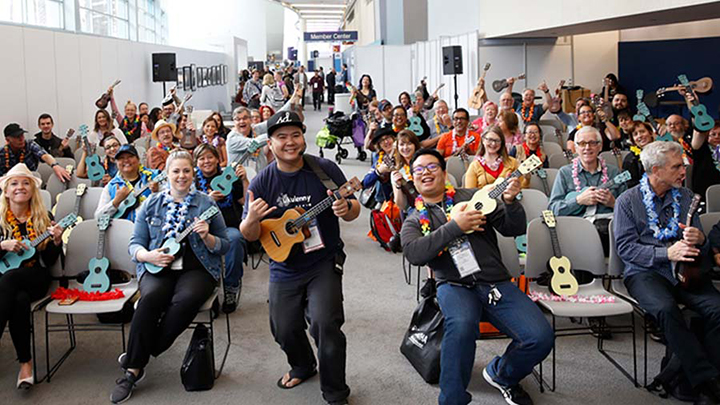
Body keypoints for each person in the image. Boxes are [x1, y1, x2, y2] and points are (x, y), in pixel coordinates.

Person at [401, 148, 553, 405]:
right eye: (418, 169)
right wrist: (455, 227)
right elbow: (414, 253)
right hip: (454, 286)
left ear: (444, 173)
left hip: (495, 283)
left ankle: (502, 374)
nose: (425, 173)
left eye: (431, 167)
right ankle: (452, 400)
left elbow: (512, 228)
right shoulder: (415, 219)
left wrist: (510, 201)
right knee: (461, 327)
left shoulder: (474, 196)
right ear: (413, 179)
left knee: (540, 336)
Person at [240, 111, 359, 405]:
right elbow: (249, 234)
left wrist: (347, 208)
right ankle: (303, 365)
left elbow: (354, 207)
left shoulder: (323, 169)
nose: (290, 142)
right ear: (270, 143)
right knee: (282, 326)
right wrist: (252, 219)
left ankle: (335, 391)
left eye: (295, 135)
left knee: (325, 323)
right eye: (282, 137)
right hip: (284, 265)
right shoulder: (263, 183)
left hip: (323, 260)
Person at [111, 150, 230, 404]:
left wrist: (207, 237)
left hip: (197, 269)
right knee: (150, 298)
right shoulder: (151, 204)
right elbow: (134, 244)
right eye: (175, 171)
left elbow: (226, 245)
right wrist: (148, 256)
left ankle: (141, 354)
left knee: (186, 299)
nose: (181, 176)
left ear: (193, 173)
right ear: (167, 174)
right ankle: (132, 372)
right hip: (157, 266)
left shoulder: (206, 204)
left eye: (186, 170)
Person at [614, 141, 720, 405]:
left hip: (687, 271)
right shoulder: (627, 201)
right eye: (676, 166)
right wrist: (666, 254)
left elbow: (701, 246)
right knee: (665, 308)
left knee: (718, 309)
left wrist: (700, 239)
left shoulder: (686, 197)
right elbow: (627, 250)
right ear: (656, 171)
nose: (683, 170)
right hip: (645, 272)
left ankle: (685, 375)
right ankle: (708, 382)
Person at [0, 163, 63, 390]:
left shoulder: (44, 216)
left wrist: (56, 241)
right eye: (14, 183)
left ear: (32, 190)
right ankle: (26, 365)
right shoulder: (0, 219)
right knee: (19, 301)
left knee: (10, 280)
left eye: (26, 183)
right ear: (6, 190)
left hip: (36, 275)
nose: (20, 187)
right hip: (7, 282)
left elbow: (52, 258)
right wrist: (3, 245)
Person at [194, 144, 248, 313]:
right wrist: (208, 199)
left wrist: (245, 180)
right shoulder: (192, 181)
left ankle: (231, 287)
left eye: (210, 157)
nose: (206, 161)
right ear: (196, 162)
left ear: (218, 158)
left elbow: (245, 203)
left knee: (235, 239)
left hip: (228, 227)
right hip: (201, 228)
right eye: (201, 158)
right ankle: (208, 288)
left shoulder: (229, 176)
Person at [95, 145, 159, 222]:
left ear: (138, 160)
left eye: (130, 156)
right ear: (116, 163)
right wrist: (115, 202)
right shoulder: (111, 186)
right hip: (121, 230)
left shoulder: (154, 177)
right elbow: (98, 218)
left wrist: (156, 193)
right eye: (121, 158)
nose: (126, 160)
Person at [465, 125, 530, 189]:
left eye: (497, 141)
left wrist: (527, 179)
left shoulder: (512, 163)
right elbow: (469, 193)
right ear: (483, 140)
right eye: (490, 140)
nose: (493, 144)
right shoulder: (474, 166)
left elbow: (522, 189)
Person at [1, 123, 71, 182]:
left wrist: (55, 165)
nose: (21, 139)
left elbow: (44, 155)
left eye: (22, 135)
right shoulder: (2, 153)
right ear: (8, 140)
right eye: (17, 137)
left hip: (30, 181)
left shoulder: (29, 144)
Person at [362, 126, 397, 205]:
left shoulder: (403, 153)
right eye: (382, 141)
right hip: (388, 201)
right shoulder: (380, 159)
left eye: (388, 138)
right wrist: (378, 172)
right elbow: (366, 183)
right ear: (379, 145)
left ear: (394, 139)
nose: (386, 142)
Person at [390, 130, 420, 211]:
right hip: (414, 209)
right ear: (398, 148)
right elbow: (401, 206)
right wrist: (398, 186)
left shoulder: (424, 163)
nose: (405, 147)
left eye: (409, 143)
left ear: (415, 145)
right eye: (402, 144)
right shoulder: (397, 172)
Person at [691, 120, 720, 200]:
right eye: (713, 134)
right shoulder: (701, 149)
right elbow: (697, 136)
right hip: (703, 195)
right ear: (707, 137)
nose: (717, 137)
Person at [623, 121, 656, 189]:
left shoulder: (662, 151)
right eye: (635, 134)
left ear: (650, 133)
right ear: (633, 140)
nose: (640, 136)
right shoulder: (630, 159)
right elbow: (630, 184)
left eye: (642, 131)